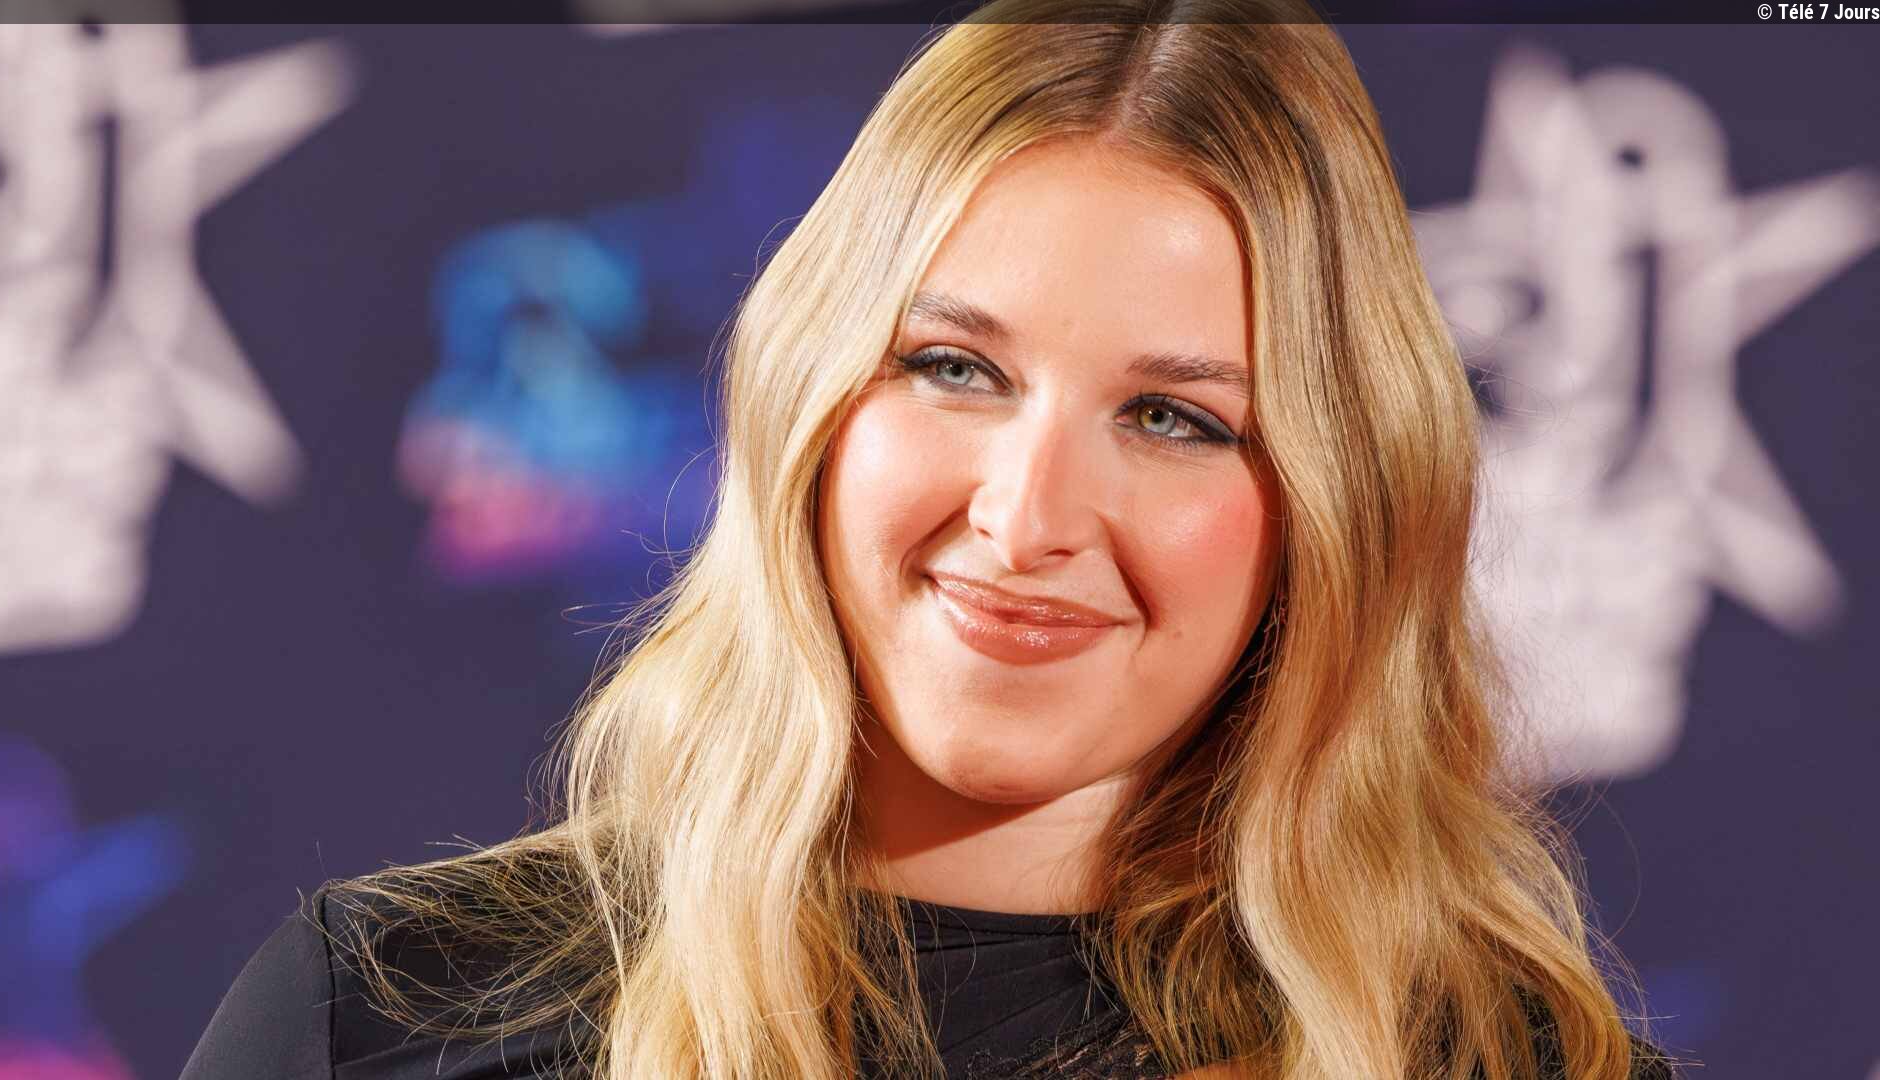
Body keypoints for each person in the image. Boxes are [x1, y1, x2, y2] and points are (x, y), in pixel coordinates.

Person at [180, 1, 1686, 1077]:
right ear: (813, 398)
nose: (1024, 519)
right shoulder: (386, 1016)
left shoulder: (1512, 1062)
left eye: (1175, 418)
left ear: (1335, 506)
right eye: (955, 368)